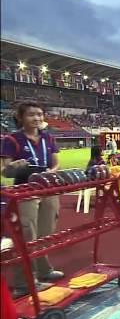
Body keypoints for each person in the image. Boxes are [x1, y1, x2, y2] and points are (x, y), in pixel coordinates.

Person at [0, 101, 64, 297]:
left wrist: (50, 173)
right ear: (20, 117)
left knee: (46, 234)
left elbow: (56, 163)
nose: (36, 118)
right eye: (31, 115)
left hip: (47, 188)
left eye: (39, 114)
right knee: (27, 236)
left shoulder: (48, 137)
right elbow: (5, 171)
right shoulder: (11, 139)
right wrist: (15, 166)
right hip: (25, 190)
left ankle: (44, 271)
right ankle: (23, 282)